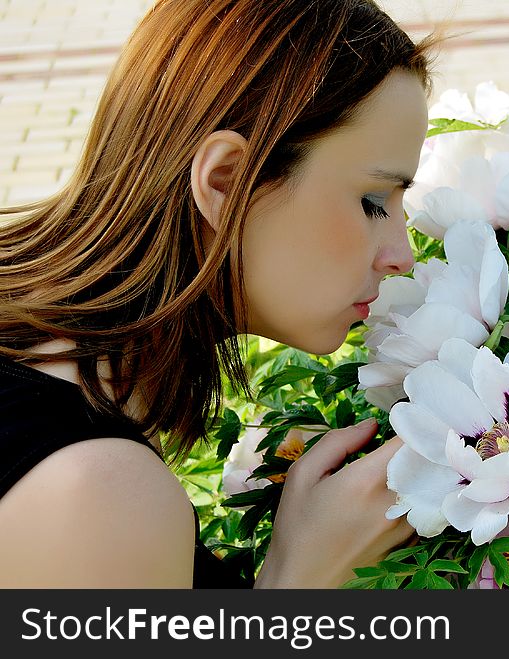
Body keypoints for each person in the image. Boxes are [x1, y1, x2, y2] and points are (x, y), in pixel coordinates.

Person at [0, 0, 436, 588]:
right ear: (227, 182)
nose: (401, 255)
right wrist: (302, 581)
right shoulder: (97, 492)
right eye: (373, 201)